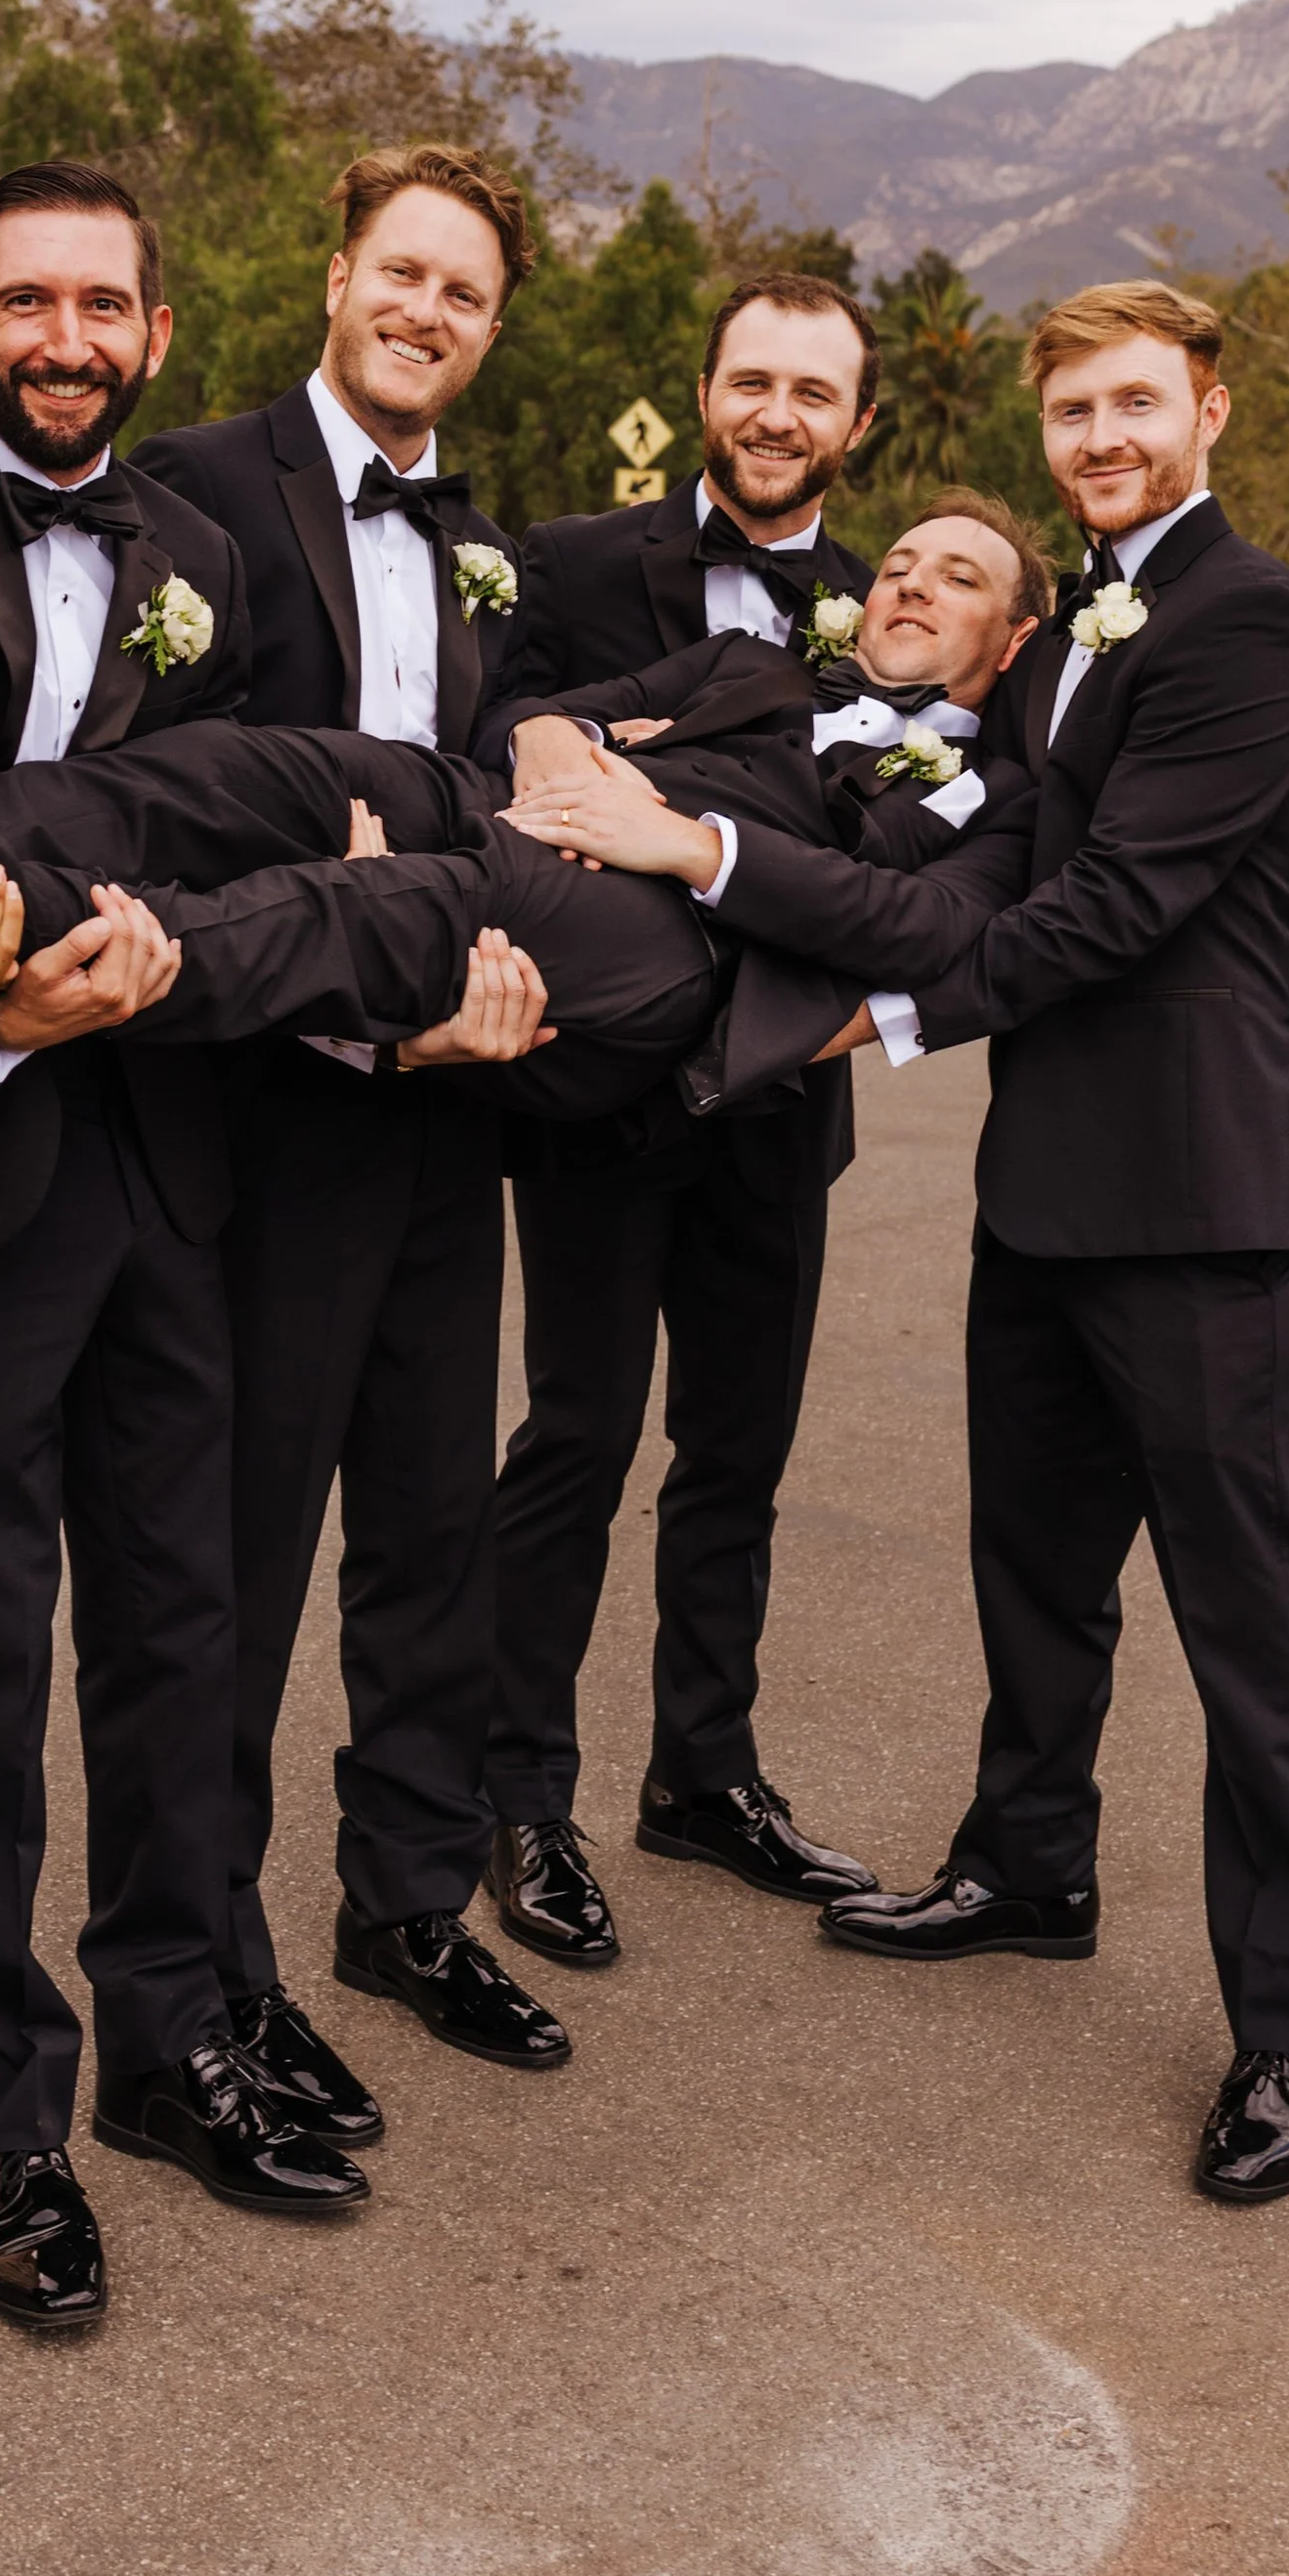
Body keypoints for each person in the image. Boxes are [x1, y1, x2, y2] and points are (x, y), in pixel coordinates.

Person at [0, 161, 368, 2348]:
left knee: (177, 1624)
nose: (63, 339)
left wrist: (157, 955)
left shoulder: (205, 556)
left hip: (174, 1153)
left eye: (100, 307)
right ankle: (7, 2120)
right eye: (24, 302)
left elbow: (237, 805)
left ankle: (161, 2050)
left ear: (151, 327)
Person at [703, 285, 1289, 2207]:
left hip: (1208, 1198)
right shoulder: (1064, 626)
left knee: (1253, 1628)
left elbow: (1118, 905)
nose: (1099, 438)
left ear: (1203, 410)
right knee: (1036, 1563)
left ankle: (1282, 2035)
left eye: (1132, 404)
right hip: (1043, 1192)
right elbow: (983, 844)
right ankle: (1027, 1862)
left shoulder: (1243, 626)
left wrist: (878, 1018)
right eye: (1070, 410)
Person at [131, 149, 564, 2109]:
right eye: (403, 273)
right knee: (235, 1556)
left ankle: (401, 1902)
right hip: (256, 1113)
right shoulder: (200, 491)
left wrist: (470, 979)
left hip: (437, 1106)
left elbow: (487, 806)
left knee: (425, 1529)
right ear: (335, 277)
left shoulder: (485, 543)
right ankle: (203, 1976)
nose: (427, 312)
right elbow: (150, 780)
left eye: (463, 292)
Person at [0, 498, 1048, 1135]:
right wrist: (580, 754)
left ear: (1014, 639)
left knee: (367, 905)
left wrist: (685, 847)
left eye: (956, 578)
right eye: (900, 561)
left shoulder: (995, 794)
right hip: (519, 808)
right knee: (260, 770)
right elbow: (541, 717)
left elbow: (924, 933)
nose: (910, 583)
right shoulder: (751, 662)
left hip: (671, 943)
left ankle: (5, 923)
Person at [475, 272, 886, 1965]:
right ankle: (519, 1795)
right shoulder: (570, 566)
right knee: (574, 1439)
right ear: (704, 390)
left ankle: (703, 1776)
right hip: (599, 1089)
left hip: (784, 1093)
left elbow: (893, 857)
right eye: (752, 380)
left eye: (813, 392)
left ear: (857, 427)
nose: (777, 413)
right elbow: (504, 758)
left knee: (739, 1450)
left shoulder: (887, 604)